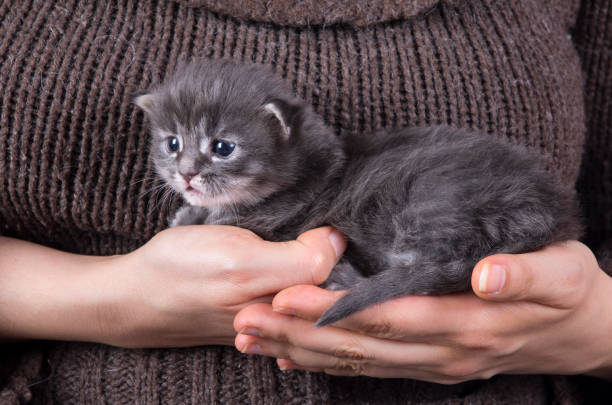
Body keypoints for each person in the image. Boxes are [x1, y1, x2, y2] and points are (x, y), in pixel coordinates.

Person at [1, 0, 611, 403]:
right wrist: (106, 301)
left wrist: (588, 328)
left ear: (282, 131)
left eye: (218, 148)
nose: (186, 170)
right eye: (172, 146)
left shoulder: (328, 183)